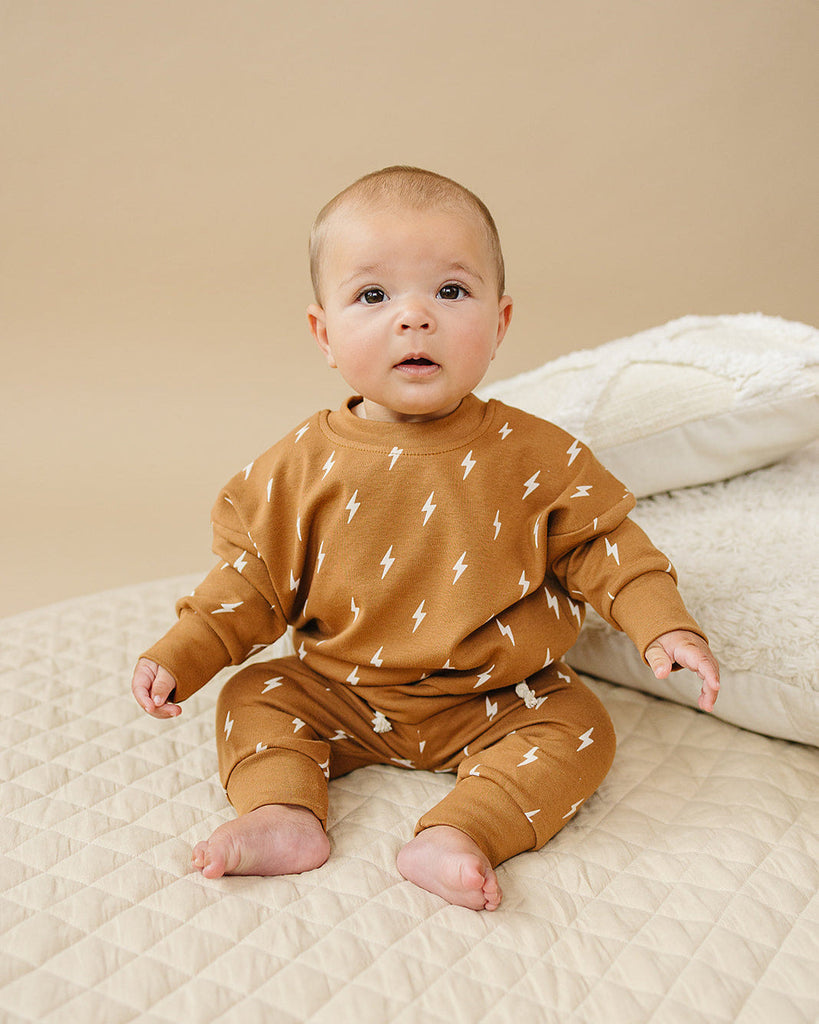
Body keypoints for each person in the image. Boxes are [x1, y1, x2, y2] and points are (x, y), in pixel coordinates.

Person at [131, 166, 720, 911]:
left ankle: (461, 832)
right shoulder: (294, 468)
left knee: (582, 728)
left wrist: (664, 625)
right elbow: (249, 580)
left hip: (499, 696)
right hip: (340, 695)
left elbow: (604, 547)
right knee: (254, 695)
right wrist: (183, 652)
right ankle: (282, 811)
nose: (414, 318)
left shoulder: (536, 455)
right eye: (373, 296)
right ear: (324, 333)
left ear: (500, 322)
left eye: (450, 290)